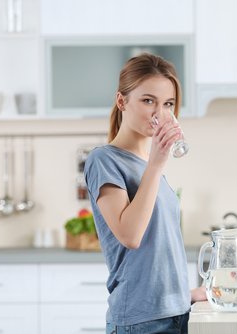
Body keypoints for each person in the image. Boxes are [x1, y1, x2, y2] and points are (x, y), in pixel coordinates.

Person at [84, 53, 206, 334]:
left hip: (175, 313)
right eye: (148, 100)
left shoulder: (149, 166)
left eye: (168, 104)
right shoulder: (104, 160)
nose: (159, 114)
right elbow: (130, 236)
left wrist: (182, 294)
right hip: (141, 322)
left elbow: (158, 249)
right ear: (122, 101)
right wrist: (157, 162)